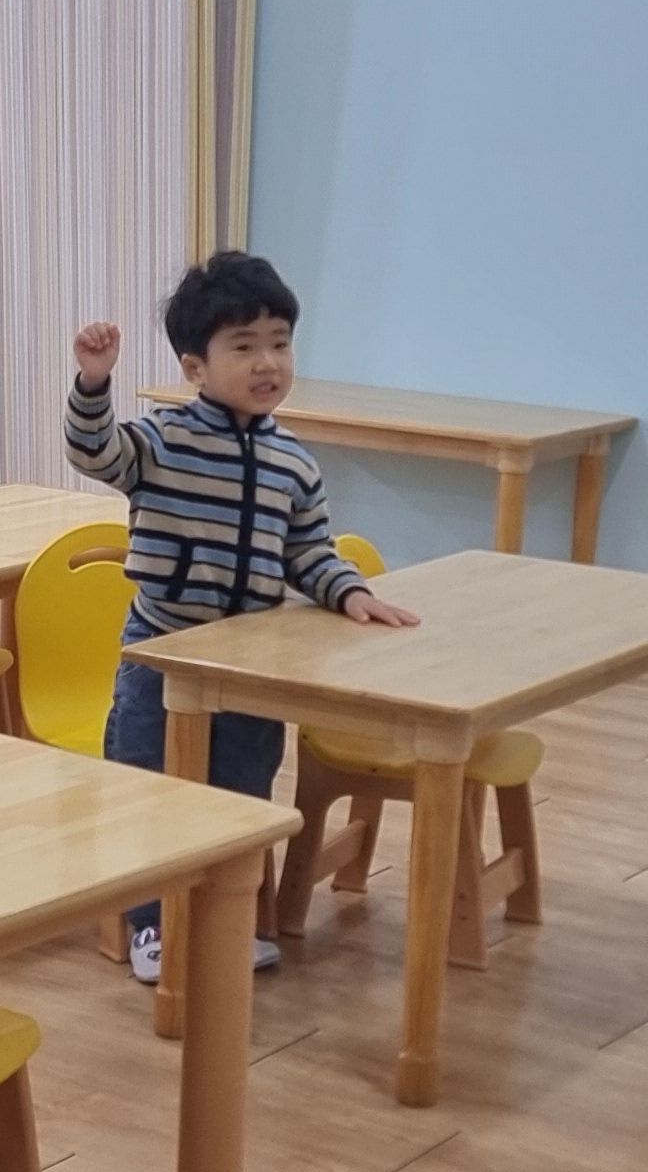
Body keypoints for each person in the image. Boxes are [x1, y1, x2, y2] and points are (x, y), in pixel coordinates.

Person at [68, 250, 416, 987]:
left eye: (280, 343)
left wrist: (349, 593)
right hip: (162, 653)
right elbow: (95, 451)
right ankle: (153, 926)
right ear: (195, 367)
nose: (267, 362)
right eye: (244, 346)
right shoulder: (163, 440)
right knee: (151, 789)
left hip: (251, 663)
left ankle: (224, 919)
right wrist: (93, 383)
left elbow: (309, 550)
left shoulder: (294, 462)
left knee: (240, 795)